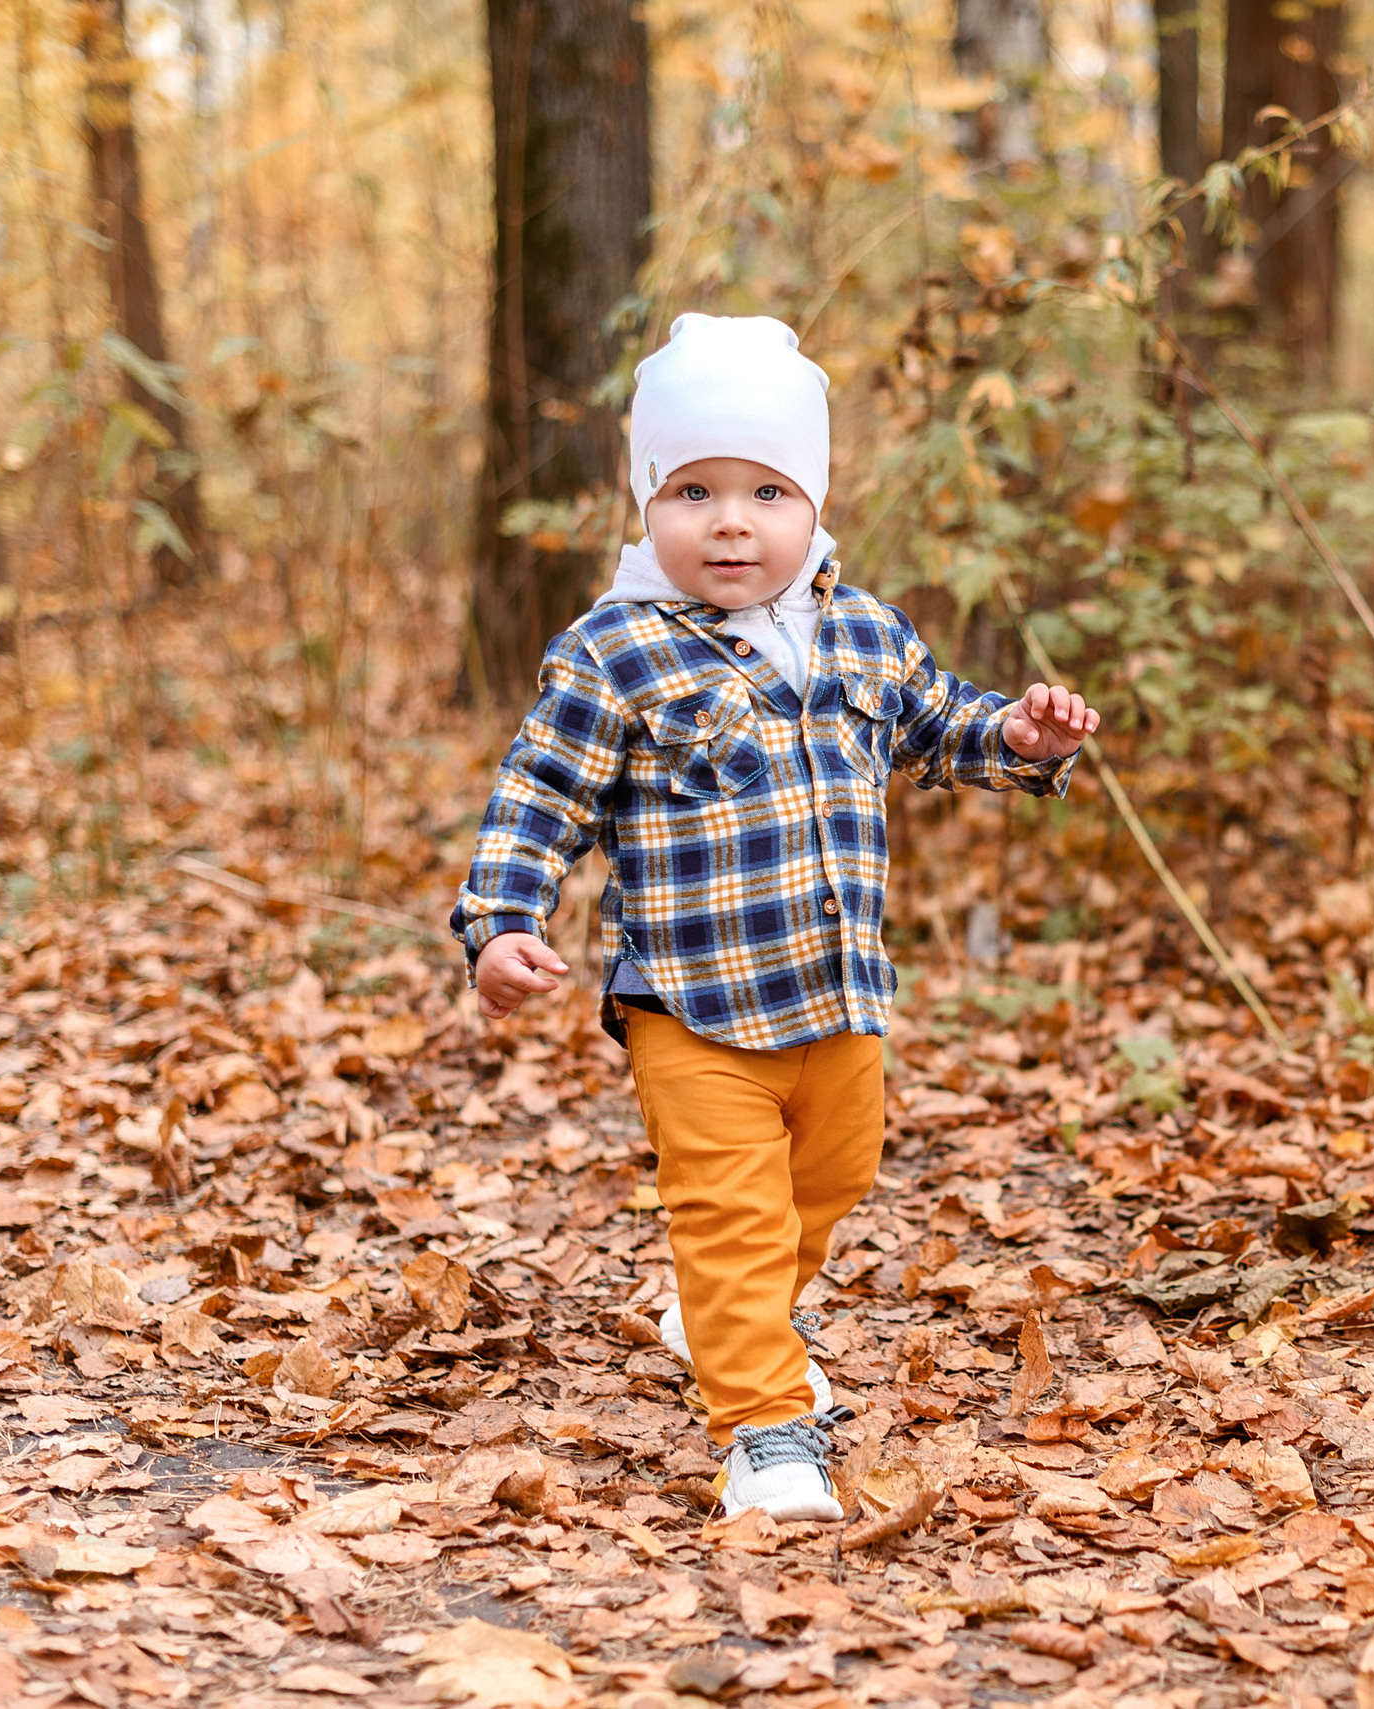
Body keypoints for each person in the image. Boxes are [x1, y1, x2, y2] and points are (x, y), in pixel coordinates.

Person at [450, 314, 1098, 1521]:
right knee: (733, 1211)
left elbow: (937, 723)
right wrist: (498, 920)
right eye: (693, 489)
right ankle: (764, 1429)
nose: (732, 519)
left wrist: (1017, 736)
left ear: (816, 501)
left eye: (766, 490)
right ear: (647, 501)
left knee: (833, 1178)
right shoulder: (616, 650)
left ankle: (713, 1309)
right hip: (692, 1008)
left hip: (838, 996)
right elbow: (539, 795)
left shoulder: (863, 629)